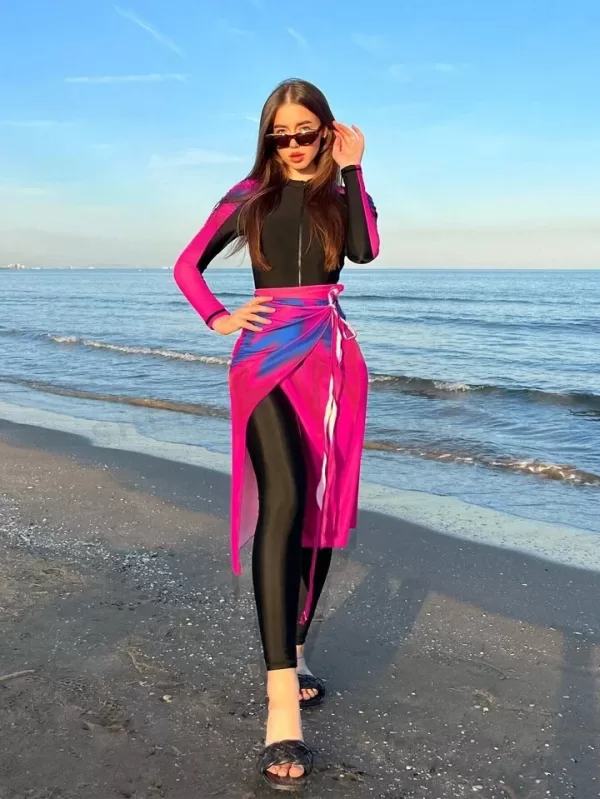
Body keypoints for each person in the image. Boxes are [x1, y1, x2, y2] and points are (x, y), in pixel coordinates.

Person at [173, 77, 379, 791]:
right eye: (279, 134)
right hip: (262, 356)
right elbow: (186, 264)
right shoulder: (246, 193)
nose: (291, 144)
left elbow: (363, 251)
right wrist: (219, 317)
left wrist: (353, 170)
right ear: (267, 138)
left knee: (316, 516)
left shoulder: (341, 189)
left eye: (304, 132)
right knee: (285, 499)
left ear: (325, 130)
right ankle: (281, 702)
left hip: (329, 356)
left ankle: (296, 641)